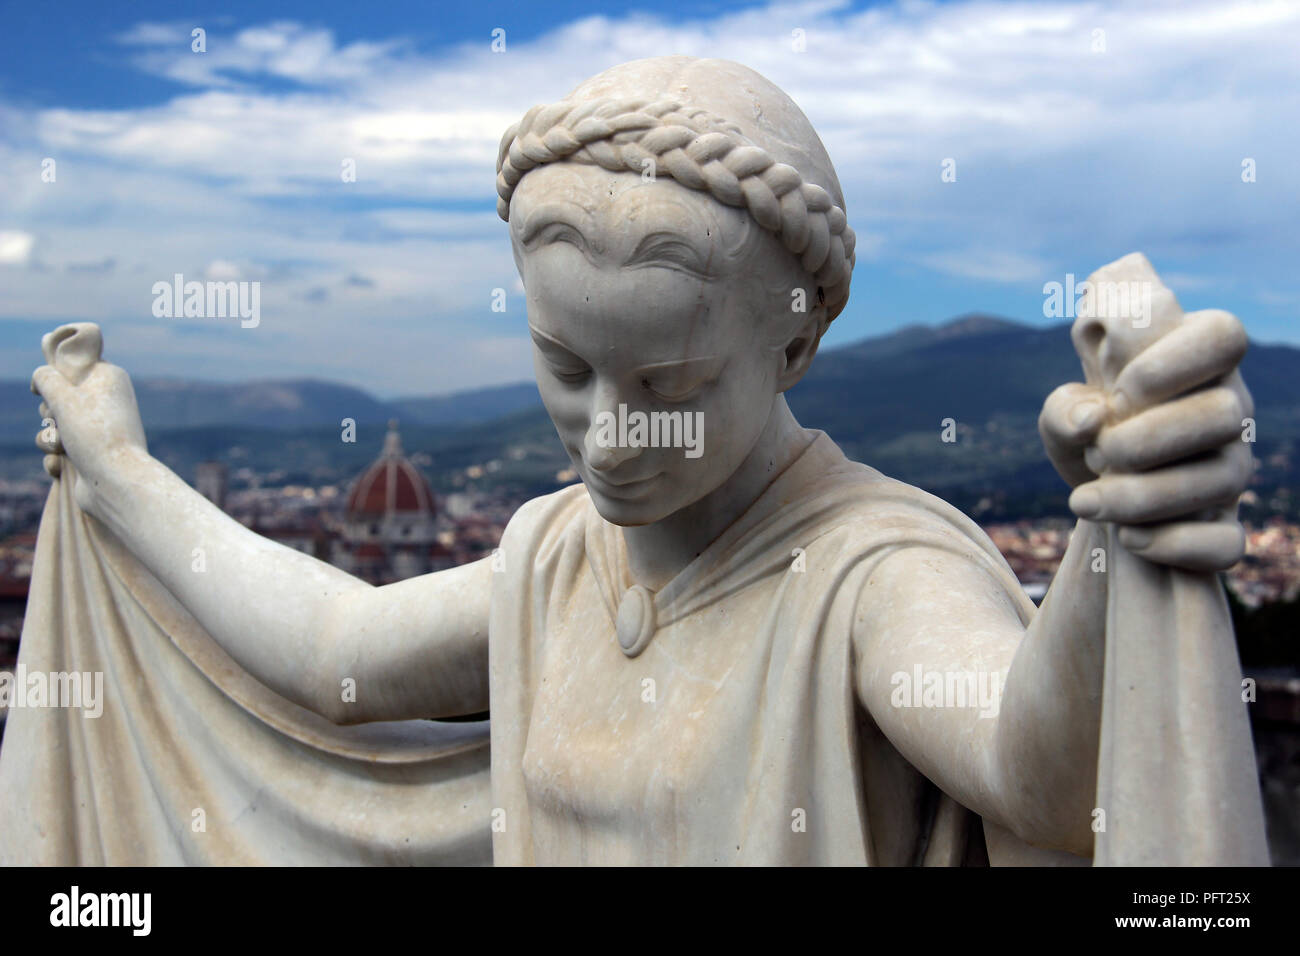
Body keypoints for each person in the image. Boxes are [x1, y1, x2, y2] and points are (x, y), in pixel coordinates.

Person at [28, 57, 1258, 865]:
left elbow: (1036, 779)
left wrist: (1114, 530)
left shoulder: (866, 574)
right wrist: (122, 470)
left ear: (794, 343)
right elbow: (340, 658)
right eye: (566, 367)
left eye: (668, 384)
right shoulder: (554, 556)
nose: (609, 440)